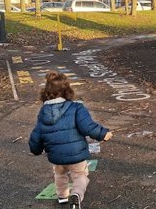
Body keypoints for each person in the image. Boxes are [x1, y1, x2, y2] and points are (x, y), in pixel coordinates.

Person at [29, 72, 113, 209]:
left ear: (46, 92)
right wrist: (103, 134)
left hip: (56, 156)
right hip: (76, 153)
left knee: (59, 174)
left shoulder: (43, 112)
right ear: (68, 91)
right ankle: (77, 195)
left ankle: (62, 196)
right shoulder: (76, 107)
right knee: (80, 175)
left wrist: (35, 149)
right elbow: (88, 127)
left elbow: (37, 133)